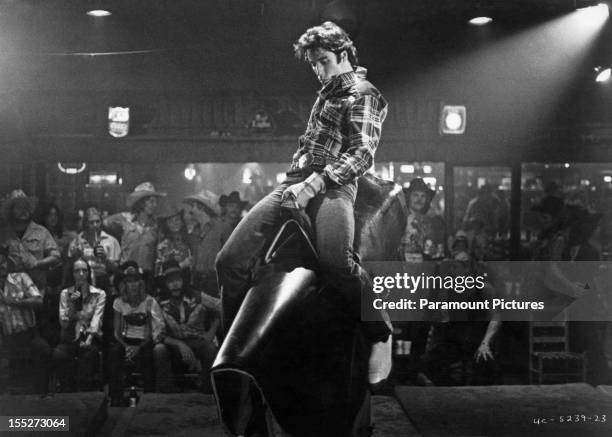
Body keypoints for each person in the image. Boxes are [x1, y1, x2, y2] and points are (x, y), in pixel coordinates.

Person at [215, 21, 390, 342]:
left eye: (324, 61)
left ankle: (380, 327)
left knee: (336, 263)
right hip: (294, 180)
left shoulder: (365, 94)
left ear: (343, 53)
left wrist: (314, 184)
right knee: (229, 261)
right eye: (313, 64)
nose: (319, 70)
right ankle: (235, 341)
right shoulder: (326, 93)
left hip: (334, 185)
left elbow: (362, 154)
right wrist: (298, 180)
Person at [108, 261, 172, 404]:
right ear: (124, 284)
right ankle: (116, 397)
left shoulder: (150, 302)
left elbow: (151, 333)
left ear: (141, 283)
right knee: (114, 351)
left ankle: (149, 397)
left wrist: (138, 348)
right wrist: (127, 347)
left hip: (144, 341)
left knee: (148, 355)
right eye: (129, 282)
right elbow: (116, 333)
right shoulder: (118, 302)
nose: (133, 285)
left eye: (136, 281)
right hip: (125, 340)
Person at [159, 260, 218, 392]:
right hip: (174, 343)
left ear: (183, 280)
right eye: (170, 281)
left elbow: (221, 308)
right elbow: (159, 334)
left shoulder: (197, 296)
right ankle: (164, 394)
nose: (175, 285)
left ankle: (208, 392)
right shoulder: (159, 303)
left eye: (178, 280)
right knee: (159, 349)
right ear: (165, 284)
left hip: (198, 340)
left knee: (210, 348)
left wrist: (211, 333)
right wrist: (180, 345)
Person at [0, 247, 52, 395]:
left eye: (3, 262)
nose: (1, 266)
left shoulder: (21, 278)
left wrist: (15, 302)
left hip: (29, 334)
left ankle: (43, 397)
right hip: (6, 338)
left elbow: (38, 300)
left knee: (43, 349)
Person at [53, 258, 106, 391]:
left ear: (88, 273)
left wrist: (88, 340)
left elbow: (96, 320)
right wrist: (71, 303)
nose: (81, 274)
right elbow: (64, 323)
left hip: (90, 337)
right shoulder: (65, 294)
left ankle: (84, 396)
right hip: (69, 336)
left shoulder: (99, 294)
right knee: (59, 355)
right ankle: (66, 394)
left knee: (87, 357)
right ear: (72, 274)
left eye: (84, 270)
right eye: (77, 271)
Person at [104, 182, 166, 286]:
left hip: (146, 276)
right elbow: (105, 223)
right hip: (126, 273)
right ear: (141, 203)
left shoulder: (156, 226)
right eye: (151, 202)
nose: (154, 205)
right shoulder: (125, 219)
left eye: (155, 202)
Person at [1, 189, 60, 291]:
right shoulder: (3, 234)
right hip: (9, 291)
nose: (24, 210)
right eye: (19, 207)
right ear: (11, 210)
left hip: (36, 291)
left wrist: (37, 263)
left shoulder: (41, 232)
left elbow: (55, 257)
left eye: (26, 207)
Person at [183, 191, 231, 299]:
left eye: (193, 206)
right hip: (197, 282)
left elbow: (230, 255)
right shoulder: (195, 231)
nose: (191, 210)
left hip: (214, 282)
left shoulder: (222, 227)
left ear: (202, 207)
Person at [67, 206, 121, 292]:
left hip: (103, 284)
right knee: (79, 303)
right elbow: (69, 268)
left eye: (97, 222)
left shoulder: (111, 241)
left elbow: (117, 269)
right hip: (81, 284)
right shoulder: (77, 241)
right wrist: (77, 256)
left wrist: (104, 258)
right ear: (85, 224)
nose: (95, 225)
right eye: (91, 223)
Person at [154, 205, 192, 291]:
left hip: (187, 278)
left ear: (182, 222)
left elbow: (193, 259)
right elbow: (160, 266)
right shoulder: (163, 244)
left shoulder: (189, 239)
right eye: (170, 221)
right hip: (169, 281)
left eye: (177, 220)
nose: (174, 223)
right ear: (166, 225)